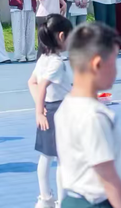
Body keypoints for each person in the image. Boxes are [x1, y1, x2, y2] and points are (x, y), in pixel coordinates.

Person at [55, 23, 121, 208]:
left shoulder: (66, 105)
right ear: (97, 64)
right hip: (96, 202)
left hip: (72, 199)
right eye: (113, 63)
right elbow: (108, 178)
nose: (116, 71)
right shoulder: (94, 116)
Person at [28, 14, 73, 208]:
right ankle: (62, 202)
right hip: (60, 112)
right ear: (62, 37)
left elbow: (32, 82)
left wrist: (41, 106)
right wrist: (39, 109)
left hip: (49, 110)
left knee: (46, 156)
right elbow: (43, 85)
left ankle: (45, 199)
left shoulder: (43, 59)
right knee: (64, 160)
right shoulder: (57, 63)